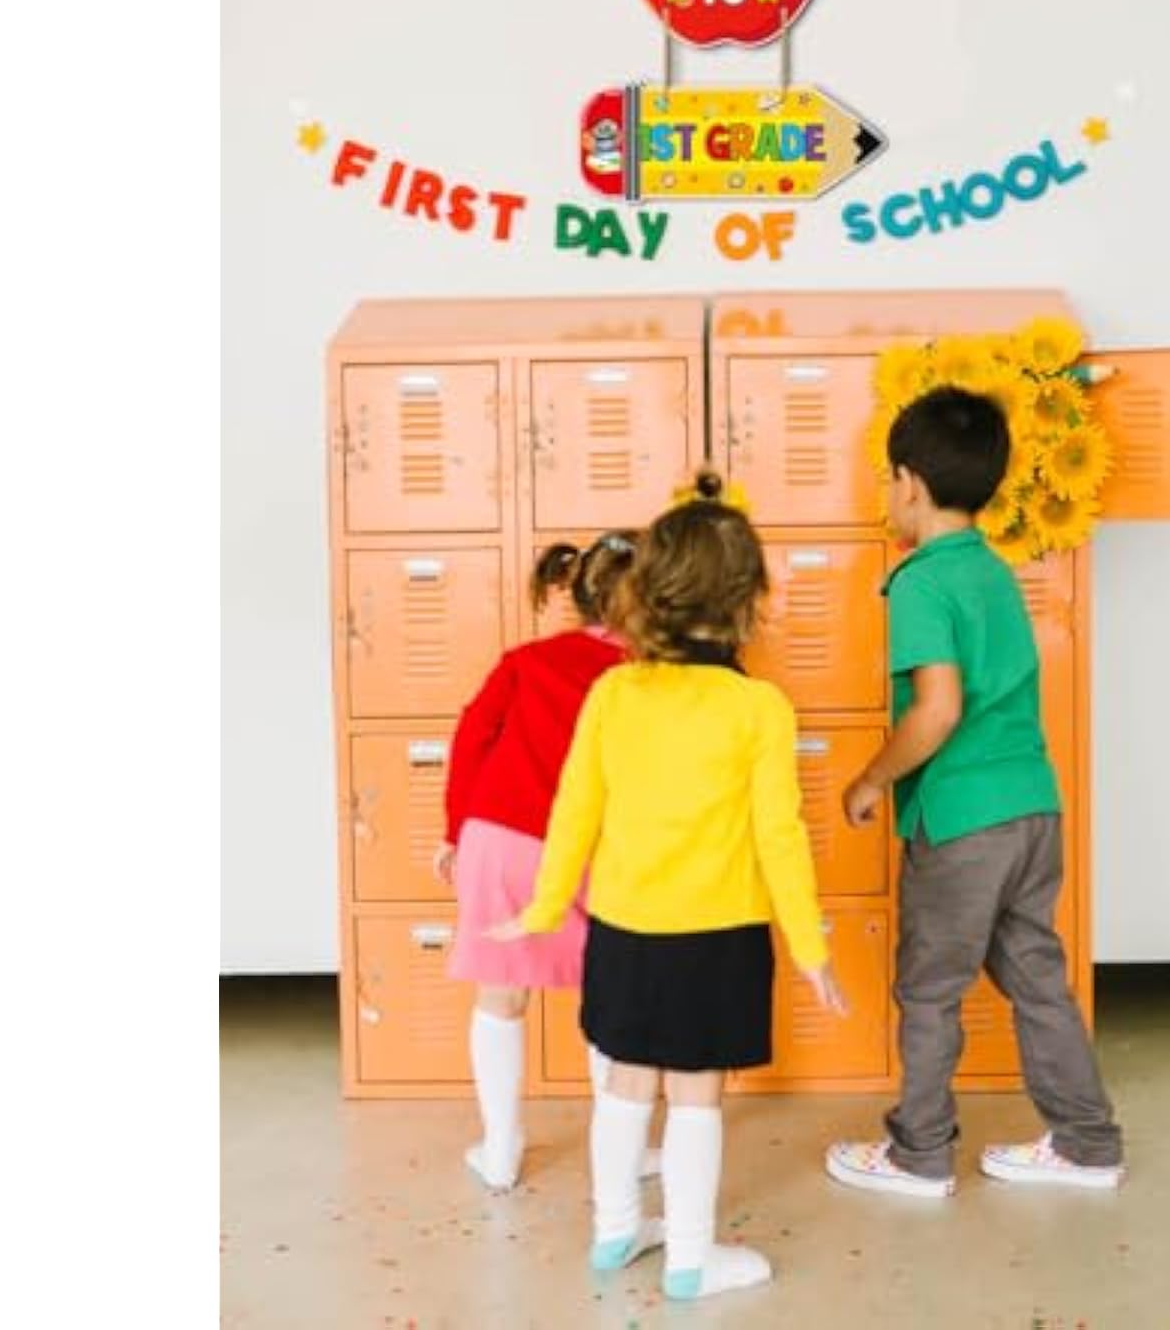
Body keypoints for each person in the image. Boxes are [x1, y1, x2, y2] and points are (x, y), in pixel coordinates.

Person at [489, 473, 845, 1302]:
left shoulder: (614, 692)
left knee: (625, 1080)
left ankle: (615, 1231)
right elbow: (780, 837)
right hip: (716, 938)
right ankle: (690, 1258)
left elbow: (575, 810)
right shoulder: (759, 708)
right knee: (695, 1096)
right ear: (746, 601)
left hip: (622, 929)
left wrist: (543, 908)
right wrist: (811, 948)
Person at [825, 387, 1124, 1197]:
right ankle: (1088, 1144)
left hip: (964, 822)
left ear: (910, 482)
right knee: (1036, 977)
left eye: (888, 479)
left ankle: (919, 1154)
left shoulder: (922, 582)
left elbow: (939, 708)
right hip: (1032, 807)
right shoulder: (994, 570)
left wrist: (870, 779)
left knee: (929, 990)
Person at [435, 530, 655, 1191]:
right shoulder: (652, 675)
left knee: (499, 996)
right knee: (609, 1002)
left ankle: (500, 1149)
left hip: (500, 837)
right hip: (599, 846)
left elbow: (471, 739)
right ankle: (621, 1155)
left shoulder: (527, 661)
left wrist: (454, 831)